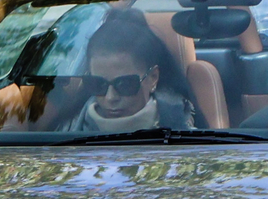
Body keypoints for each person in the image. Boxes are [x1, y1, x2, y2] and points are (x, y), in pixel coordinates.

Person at [67, 15, 202, 134]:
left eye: (124, 84)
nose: (110, 98)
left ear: (153, 78)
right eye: (98, 84)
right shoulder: (61, 137)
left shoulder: (188, 138)